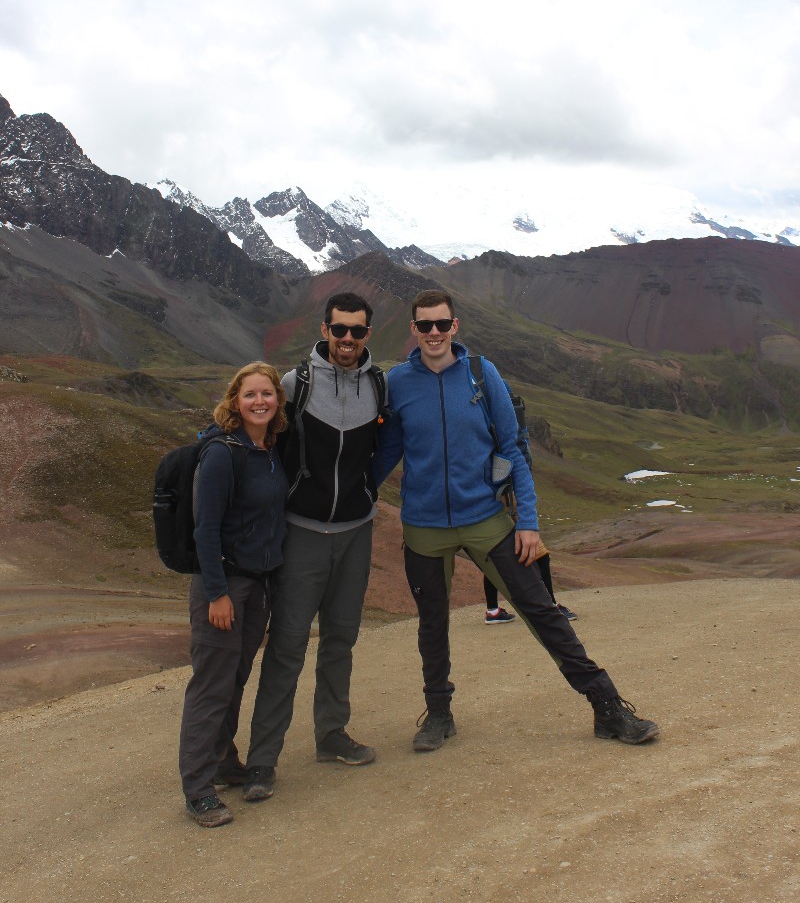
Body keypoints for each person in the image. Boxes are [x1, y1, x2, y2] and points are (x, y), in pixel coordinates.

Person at [374, 288, 659, 753]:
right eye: (424, 325)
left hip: (486, 517)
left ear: (455, 326)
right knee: (432, 624)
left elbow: (513, 448)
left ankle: (608, 708)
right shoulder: (399, 383)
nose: (433, 333)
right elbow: (386, 453)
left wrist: (528, 520)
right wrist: (351, 495)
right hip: (424, 525)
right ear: (413, 329)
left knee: (541, 609)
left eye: (441, 324)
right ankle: (439, 714)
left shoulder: (481, 375)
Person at [245, 292, 383, 800]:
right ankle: (262, 761)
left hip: (356, 532)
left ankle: (332, 735)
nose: (348, 340)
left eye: (358, 332)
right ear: (325, 329)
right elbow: (265, 447)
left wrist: (367, 496)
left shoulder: (378, 384)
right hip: (301, 532)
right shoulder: (293, 384)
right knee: (286, 648)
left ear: (368, 334)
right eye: (339, 330)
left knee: (341, 640)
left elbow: (379, 453)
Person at [179, 362, 288, 828]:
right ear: (234, 401)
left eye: (267, 393)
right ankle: (198, 790)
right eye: (250, 395)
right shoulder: (222, 453)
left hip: (256, 586)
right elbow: (205, 529)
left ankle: (224, 762)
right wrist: (218, 594)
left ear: (278, 401)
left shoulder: (265, 449)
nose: (260, 401)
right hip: (224, 588)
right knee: (211, 685)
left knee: (234, 679)